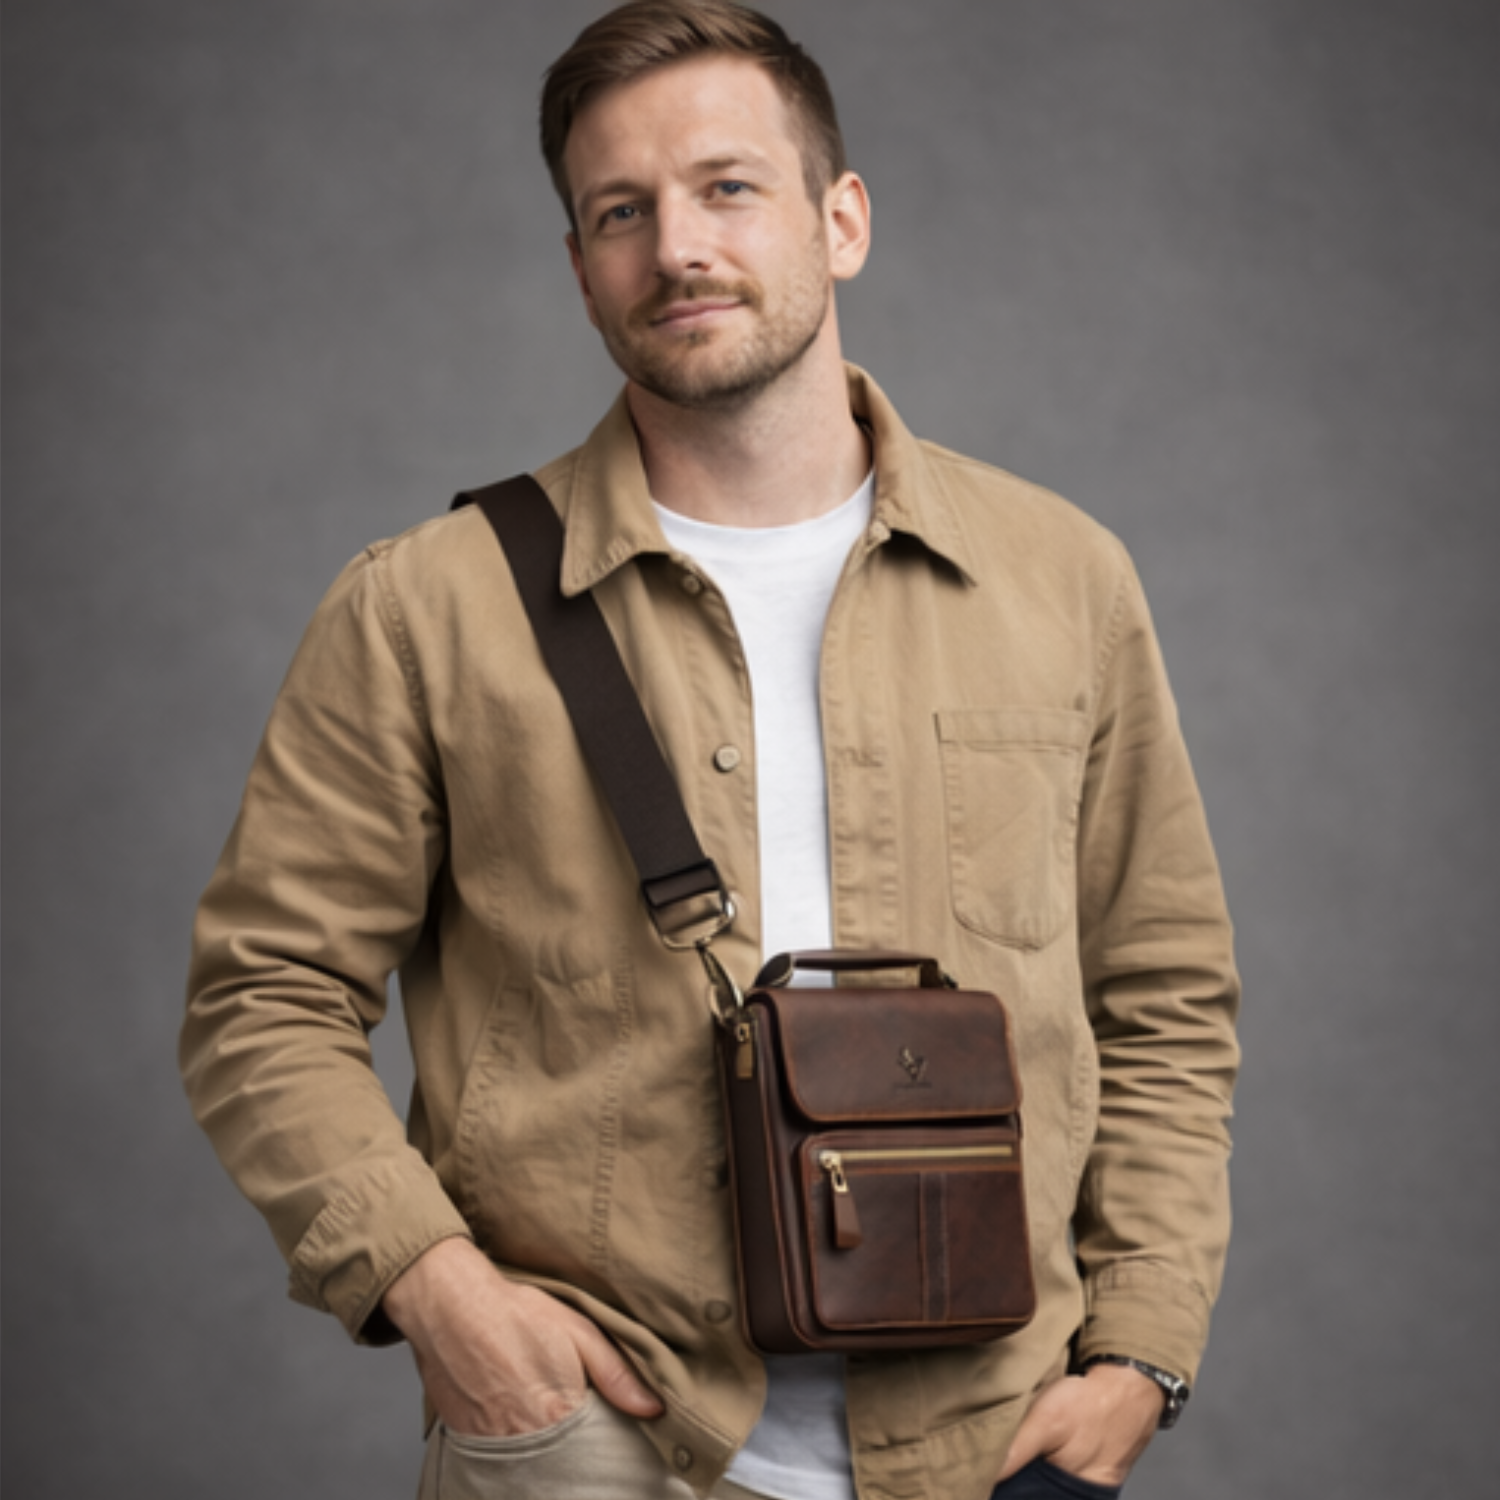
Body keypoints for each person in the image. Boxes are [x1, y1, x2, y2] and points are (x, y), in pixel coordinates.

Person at [180, 3, 1240, 1498]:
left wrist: (1142, 1351)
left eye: (727, 187)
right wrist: (439, 1293)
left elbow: (1165, 999)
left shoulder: (1063, 578)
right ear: (578, 266)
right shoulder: (424, 608)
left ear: (842, 219)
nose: (676, 246)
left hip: (995, 1444)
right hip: (595, 1438)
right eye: (621, 211)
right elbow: (263, 997)